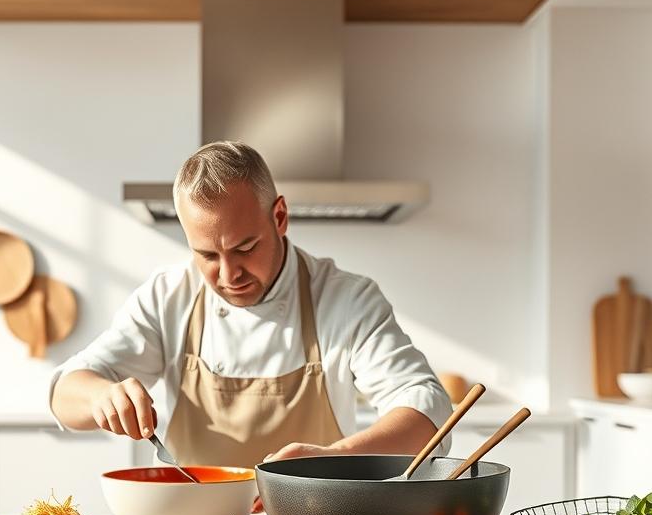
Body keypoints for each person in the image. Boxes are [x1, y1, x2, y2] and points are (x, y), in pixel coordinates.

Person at [49, 140, 451, 469]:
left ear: (279, 217)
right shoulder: (166, 296)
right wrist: (101, 396)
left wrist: (333, 458)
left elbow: (429, 412)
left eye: (245, 248)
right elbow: (65, 393)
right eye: (206, 255)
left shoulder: (347, 300)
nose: (228, 275)